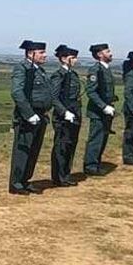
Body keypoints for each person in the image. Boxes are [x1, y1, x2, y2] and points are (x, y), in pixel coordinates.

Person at [8, 40, 53, 195]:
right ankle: (16, 183)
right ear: (30, 54)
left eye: (44, 52)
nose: (44, 55)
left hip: (40, 115)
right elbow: (17, 93)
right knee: (23, 150)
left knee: (34, 150)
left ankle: (25, 180)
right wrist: (29, 114)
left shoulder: (39, 70)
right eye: (41, 53)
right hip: (27, 116)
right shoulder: (22, 68)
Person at [48, 45, 82, 187]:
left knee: (70, 145)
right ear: (63, 59)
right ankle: (59, 177)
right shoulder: (58, 75)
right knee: (61, 146)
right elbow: (54, 97)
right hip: (63, 117)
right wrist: (64, 112)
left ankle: (66, 174)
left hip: (74, 113)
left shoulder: (72, 75)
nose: (75, 60)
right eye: (72, 57)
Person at [82, 43, 116, 176]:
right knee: (96, 138)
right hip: (97, 111)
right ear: (99, 54)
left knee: (103, 138)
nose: (111, 53)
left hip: (107, 110)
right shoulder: (95, 69)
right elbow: (91, 91)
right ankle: (90, 165)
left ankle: (96, 162)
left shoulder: (106, 69)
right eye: (107, 51)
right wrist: (103, 106)